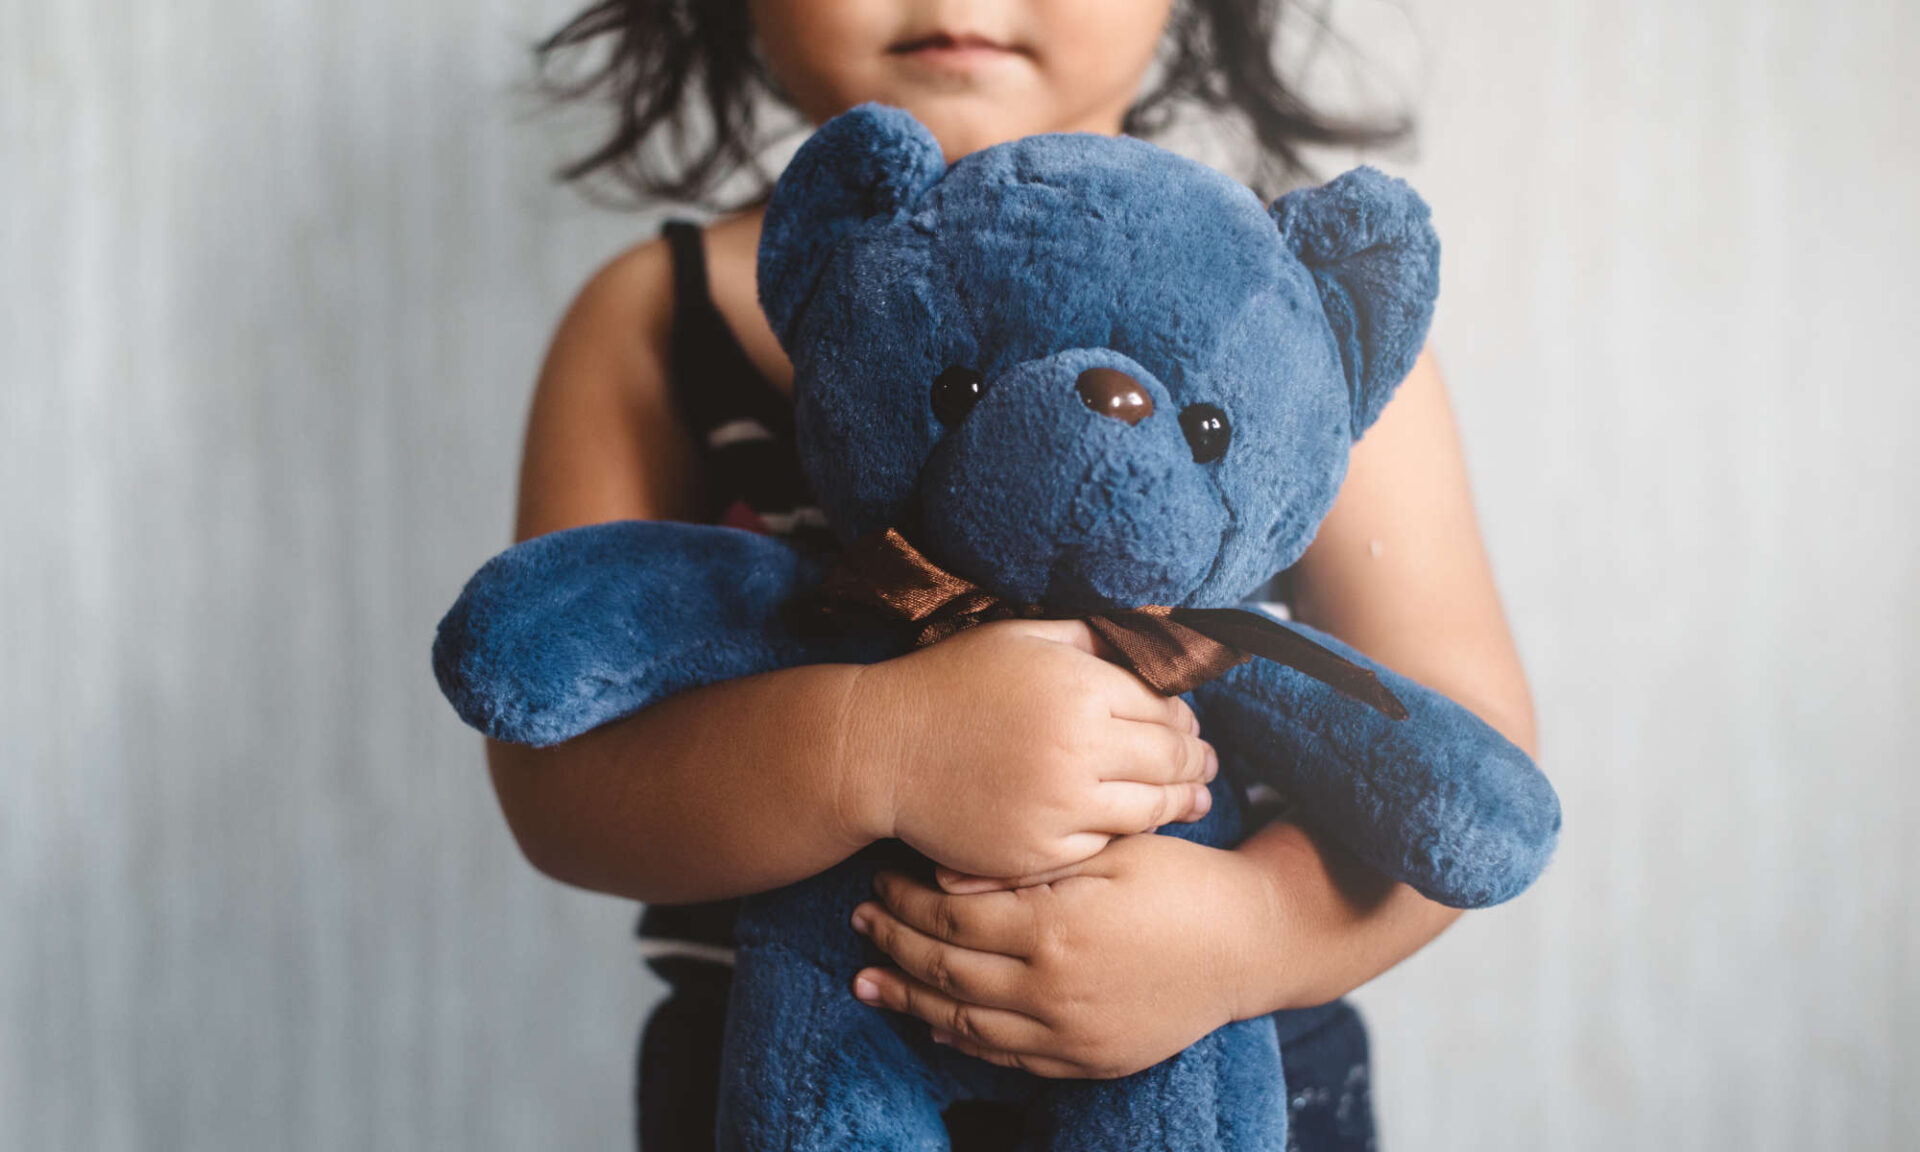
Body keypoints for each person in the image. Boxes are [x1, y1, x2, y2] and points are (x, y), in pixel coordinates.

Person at [489, 2, 1540, 1148]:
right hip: (782, 1077)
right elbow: (556, 781)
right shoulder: (655, 318)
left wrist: (1248, 933)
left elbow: (1463, 774)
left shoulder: (1285, 331)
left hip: (1233, 1072)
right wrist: (876, 750)